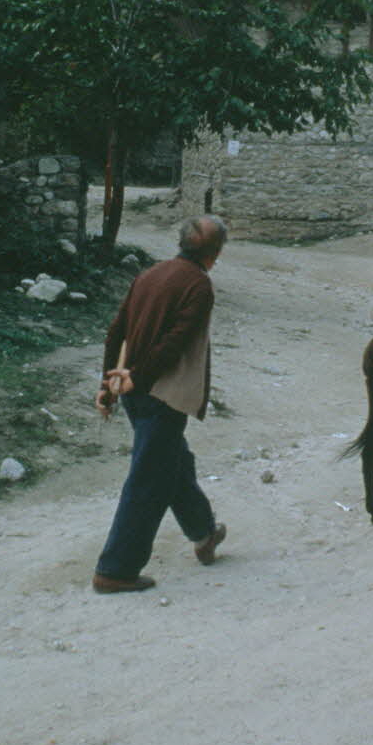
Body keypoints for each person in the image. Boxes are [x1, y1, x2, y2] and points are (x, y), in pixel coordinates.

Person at [92, 214, 229, 594]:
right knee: (149, 479)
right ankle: (115, 570)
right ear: (216, 252)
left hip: (135, 393)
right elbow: (175, 342)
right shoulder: (198, 285)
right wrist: (139, 377)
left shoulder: (150, 274)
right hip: (161, 394)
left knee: (173, 464)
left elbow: (116, 332)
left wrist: (109, 385)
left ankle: (204, 533)